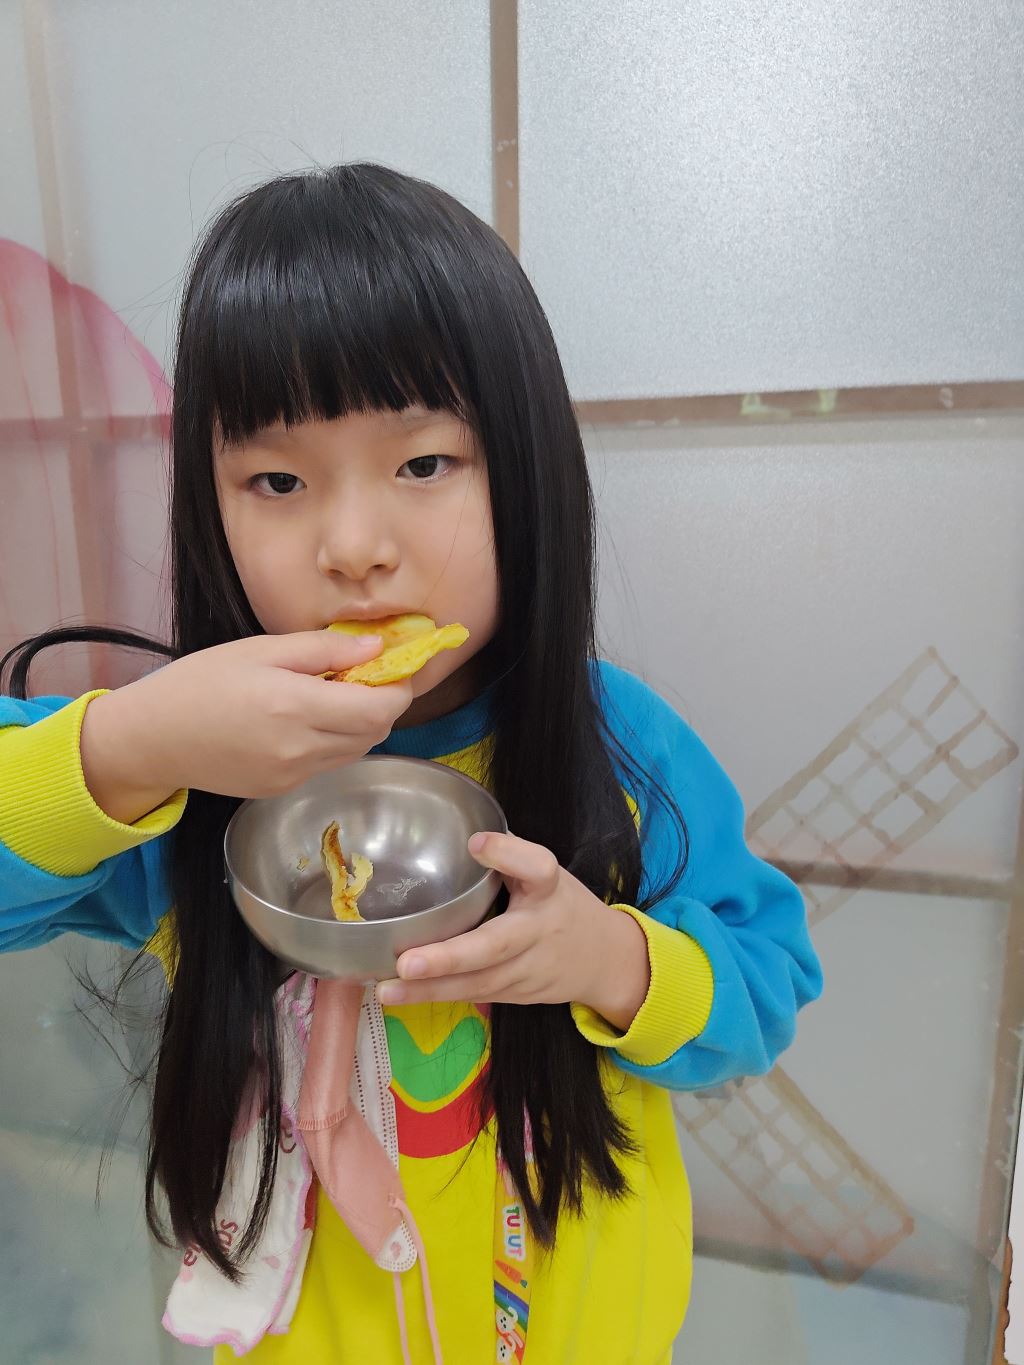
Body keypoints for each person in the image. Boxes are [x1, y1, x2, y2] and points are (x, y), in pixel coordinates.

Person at [0, 162, 822, 1365]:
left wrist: (608, 957)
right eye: (277, 481)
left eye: (423, 464)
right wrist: (132, 744)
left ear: (527, 472)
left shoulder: (616, 742)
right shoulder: (181, 767)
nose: (353, 547)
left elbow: (769, 984)